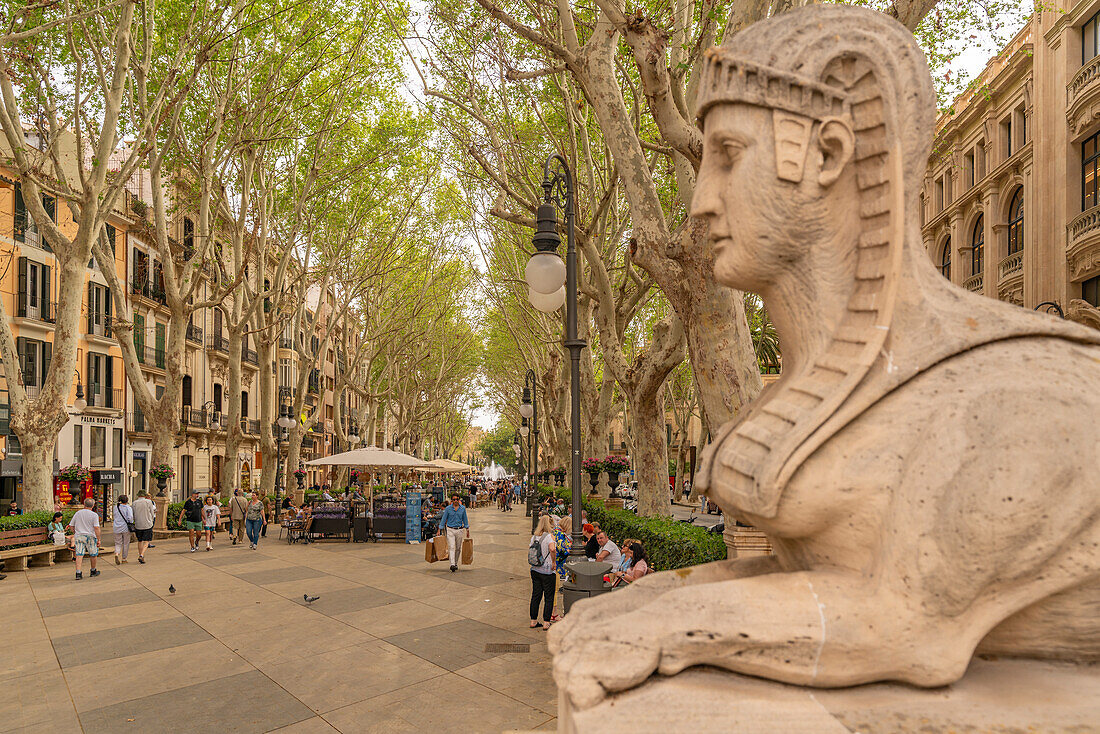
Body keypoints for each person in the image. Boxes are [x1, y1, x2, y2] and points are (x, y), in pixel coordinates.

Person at [529, 515, 557, 629]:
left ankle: (533, 620)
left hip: (535, 569)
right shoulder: (550, 537)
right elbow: (552, 549)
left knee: (536, 595)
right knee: (549, 597)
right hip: (547, 570)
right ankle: (546, 622)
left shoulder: (534, 537)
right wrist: (554, 561)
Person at [67, 498, 101, 580]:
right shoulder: (94, 515)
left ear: (84, 504)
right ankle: (93, 570)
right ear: (93, 506)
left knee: (79, 554)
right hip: (91, 536)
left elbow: (71, 525)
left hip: (79, 535)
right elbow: (96, 527)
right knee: (93, 554)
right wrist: (99, 539)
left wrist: (75, 532)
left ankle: (78, 572)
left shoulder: (78, 513)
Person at [438, 494, 469, 572]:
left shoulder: (462, 508)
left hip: (459, 530)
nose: (455, 501)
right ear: (451, 500)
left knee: (458, 548)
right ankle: (452, 564)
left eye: (457, 499)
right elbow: (444, 519)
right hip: (450, 529)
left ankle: (455, 563)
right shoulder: (448, 509)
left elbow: (465, 519)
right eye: (454, 499)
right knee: (451, 547)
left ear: (459, 500)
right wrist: (439, 529)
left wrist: (467, 529)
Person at [132, 490, 155, 564]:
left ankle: (140, 554)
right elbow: (152, 512)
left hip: (138, 524)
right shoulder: (148, 502)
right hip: (147, 523)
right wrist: (151, 520)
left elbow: (133, 514)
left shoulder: (134, 503)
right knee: (147, 541)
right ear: (145, 495)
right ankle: (142, 555)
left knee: (140, 541)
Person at [112, 495, 134, 565]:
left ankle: (117, 553)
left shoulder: (115, 507)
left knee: (118, 543)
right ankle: (124, 558)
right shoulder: (128, 508)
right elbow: (130, 517)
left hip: (116, 527)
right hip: (125, 528)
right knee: (126, 543)